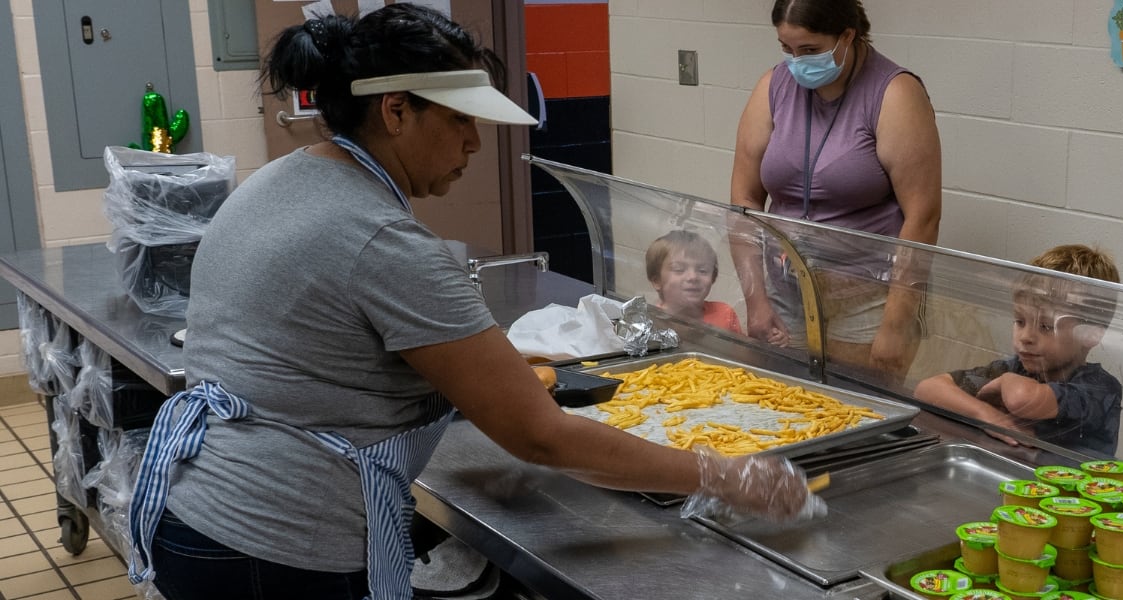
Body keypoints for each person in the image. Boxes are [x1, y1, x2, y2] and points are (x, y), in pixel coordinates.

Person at [125, 7, 816, 599]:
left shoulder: (280, 178)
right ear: (396, 110)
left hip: (201, 513)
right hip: (276, 547)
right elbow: (538, 434)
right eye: (460, 122)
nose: (474, 145)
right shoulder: (382, 240)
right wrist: (722, 474)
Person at [727, 0, 942, 383]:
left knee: (856, 408)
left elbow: (922, 217)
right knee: (785, 407)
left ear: (847, 35)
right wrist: (755, 301)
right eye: (786, 49)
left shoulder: (895, 93)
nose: (797, 62)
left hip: (868, 297)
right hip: (788, 289)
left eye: (809, 50)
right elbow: (744, 200)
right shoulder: (774, 86)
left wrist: (895, 325)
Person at [913, 245, 1123, 453]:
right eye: (1020, 321)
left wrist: (1005, 381)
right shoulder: (1017, 367)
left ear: (1090, 334)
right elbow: (928, 388)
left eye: (1045, 326)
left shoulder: (1101, 388)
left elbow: (1022, 399)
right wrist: (984, 413)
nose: (1025, 337)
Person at [647, 230, 744, 334]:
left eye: (702, 270)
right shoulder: (651, 322)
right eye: (679, 269)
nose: (693, 277)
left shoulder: (724, 314)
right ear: (657, 281)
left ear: (713, 278)